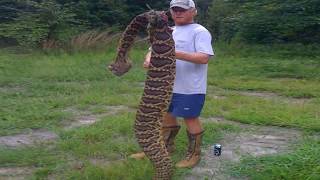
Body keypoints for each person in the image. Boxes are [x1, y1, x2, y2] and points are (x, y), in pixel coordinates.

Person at [130, 0, 214, 168]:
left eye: (182, 9)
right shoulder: (168, 31)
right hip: (164, 86)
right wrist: (148, 60)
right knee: (167, 116)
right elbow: (152, 50)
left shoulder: (199, 31)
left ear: (193, 11)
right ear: (170, 12)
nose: (178, 12)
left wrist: (172, 53)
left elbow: (204, 57)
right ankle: (165, 148)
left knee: (190, 118)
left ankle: (193, 155)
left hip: (190, 87)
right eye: (174, 9)